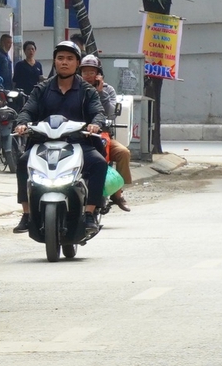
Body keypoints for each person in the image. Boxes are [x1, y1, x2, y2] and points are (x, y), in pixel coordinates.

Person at [12, 38, 110, 233]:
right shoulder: (41, 89)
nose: (64, 62)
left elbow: (98, 112)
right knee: (23, 161)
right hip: (43, 143)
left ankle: (90, 213)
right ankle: (27, 214)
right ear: (54, 61)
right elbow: (27, 110)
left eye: (69, 58)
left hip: (78, 144)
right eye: (60, 58)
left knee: (99, 163)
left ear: (77, 63)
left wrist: (95, 125)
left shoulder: (87, 91)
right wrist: (22, 123)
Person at [79, 53, 132, 211]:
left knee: (123, 153)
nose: (88, 76)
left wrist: (100, 92)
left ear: (98, 74)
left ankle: (117, 193)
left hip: (102, 134)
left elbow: (110, 112)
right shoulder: (75, 89)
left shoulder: (108, 89)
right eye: (85, 72)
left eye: (92, 72)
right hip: (78, 135)